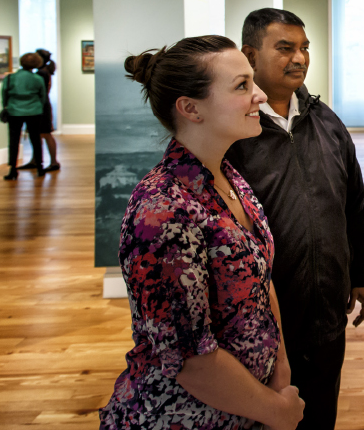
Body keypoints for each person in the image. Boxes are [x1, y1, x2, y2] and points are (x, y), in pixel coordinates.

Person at [99, 35, 304, 430]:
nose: (260, 95)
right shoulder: (162, 211)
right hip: (183, 417)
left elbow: (260, 279)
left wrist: (280, 372)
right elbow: (190, 359)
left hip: (249, 405)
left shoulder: (227, 178)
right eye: (242, 86)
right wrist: (277, 411)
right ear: (191, 108)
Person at [226, 9, 364, 430]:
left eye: (304, 48)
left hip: (327, 311)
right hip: (259, 321)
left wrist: (362, 274)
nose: (300, 58)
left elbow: (353, 205)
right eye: (286, 48)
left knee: (319, 414)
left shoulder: (327, 122)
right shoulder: (233, 133)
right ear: (250, 54)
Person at [1, 52, 48, 180]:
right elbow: (43, 96)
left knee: (14, 140)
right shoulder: (37, 78)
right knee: (35, 139)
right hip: (34, 111)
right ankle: (40, 167)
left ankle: (13, 169)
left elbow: (4, 95)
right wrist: (38, 106)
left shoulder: (10, 78)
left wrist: (6, 106)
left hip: (14, 111)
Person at [19, 48, 60, 172]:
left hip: (41, 106)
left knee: (45, 134)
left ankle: (52, 162)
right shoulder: (44, 72)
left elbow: (38, 92)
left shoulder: (40, 74)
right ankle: (36, 160)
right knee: (40, 134)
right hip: (42, 105)